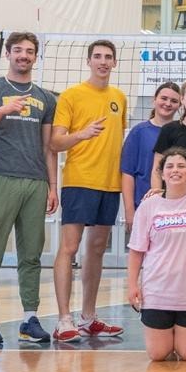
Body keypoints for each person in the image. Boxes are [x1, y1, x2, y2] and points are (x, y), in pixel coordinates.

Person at [0, 31, 59, 345]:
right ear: (7, 54)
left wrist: (53, 186)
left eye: (30, 51)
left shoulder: (46, 98)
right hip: (0, 178)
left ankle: (29, 319)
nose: (24, 55)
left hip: (35, 182)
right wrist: (1, 111)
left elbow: (49, 146)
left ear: (36, 57)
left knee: (32, 254)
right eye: (18, 50)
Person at [51, 39, 128, 343]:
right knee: (69, 248)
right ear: (88, 61)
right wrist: (81, 134)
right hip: (80, 180)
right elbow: (56, 143)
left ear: (114, 63)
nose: (103, 61)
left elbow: (116, 142)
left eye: (108, 57)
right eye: (97, 56)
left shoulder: (119, 98)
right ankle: (63, 318)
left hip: (109, 184)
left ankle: (88, 317)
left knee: (96, 250)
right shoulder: (71, 96)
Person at [127, 148, 186, 362]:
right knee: (158, 355)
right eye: (169, 166)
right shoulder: (148, 206)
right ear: (162, 173)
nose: (175, 170)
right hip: (157, 290)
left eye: (181, 166)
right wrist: (132, 284)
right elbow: (136, 250)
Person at [122, 82, 181, 228]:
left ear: (180, 105)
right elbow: (127, 174)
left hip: (177, 206)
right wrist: (129, 212)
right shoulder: (139, 132)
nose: (168, 104)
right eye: (164, 98)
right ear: (154, 100)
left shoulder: (181, 132)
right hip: (144, 204)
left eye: (174, 101)